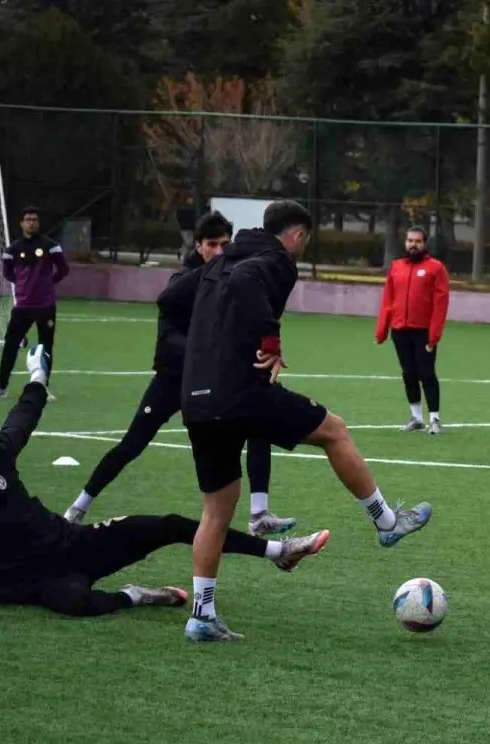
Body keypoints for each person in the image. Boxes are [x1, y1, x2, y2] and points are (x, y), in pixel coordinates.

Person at [0, 345, 329, 621]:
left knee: (167, 524)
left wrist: (37, 376)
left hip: (73, 544)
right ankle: (136, 596)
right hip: (29, 585)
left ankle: (278, 552)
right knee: (76, 603)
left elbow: (23, 418)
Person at [160, 199, 433, 642]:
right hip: (240, 392)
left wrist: (200, 345)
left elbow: (169, 298)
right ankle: (387, 523)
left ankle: (202, 616)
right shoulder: (276, 260)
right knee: (334, 430)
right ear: (298, 235)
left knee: (216, 510)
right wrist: (269, 335)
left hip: (196, 397)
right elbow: (249, 283)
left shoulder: (217, 261)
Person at [64, 212, 295, 537]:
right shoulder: (184, 282)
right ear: (198, 245)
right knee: (132, 443)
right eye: (211, 244)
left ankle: (259, 514)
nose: (218, 251)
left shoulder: (231, 278)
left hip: (215, 382)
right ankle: (79, 505)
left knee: (258, 424)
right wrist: (208, 353)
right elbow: (168, 338)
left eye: (224, 244)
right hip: (175, 379)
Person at [0, 206, 69, 400]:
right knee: (11, 344)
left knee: (45, 347)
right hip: (23, 306)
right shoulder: (12, 249)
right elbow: (7, 273)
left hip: (46, 306)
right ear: (21, 223)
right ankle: (0, 386)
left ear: (39, 222)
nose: (32, 223)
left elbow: (63, 269)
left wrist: (48, 284)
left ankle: (42, 388)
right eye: (28, 219)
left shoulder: (50, 245)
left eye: (35, 219)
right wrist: (23, 286)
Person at [374, 226, 450, 434]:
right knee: (409, 374)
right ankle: (416, 418)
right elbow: (388, 300)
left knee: (427, 373)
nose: (413, 245)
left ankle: (434, 418)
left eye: (417, 241)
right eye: (410, 241)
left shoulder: (436, 268)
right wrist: (382, 330)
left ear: (425, 244)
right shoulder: (396, 266)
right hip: (400, 330)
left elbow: (440, 304)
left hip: (424, 332)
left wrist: (434, 335)